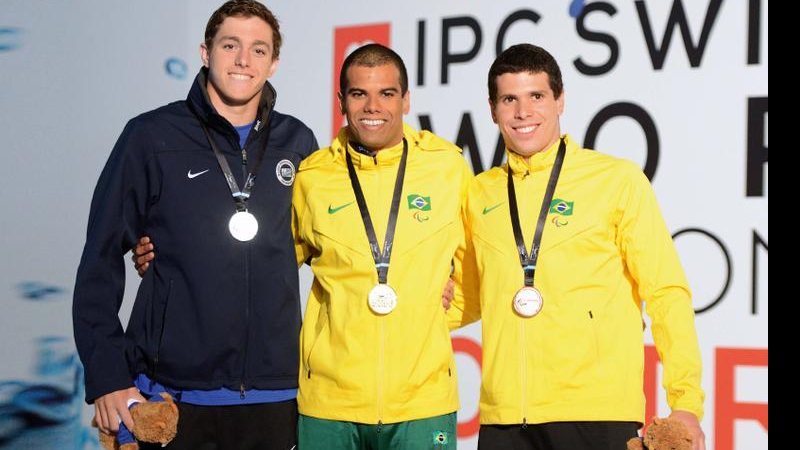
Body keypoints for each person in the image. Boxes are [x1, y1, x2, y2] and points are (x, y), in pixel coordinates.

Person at [72, 1, 318, 448]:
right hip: (171, 393)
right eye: (231, 45)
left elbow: (329, 249)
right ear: (205, 52)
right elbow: (99, 259)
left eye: (259, 50)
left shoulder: (298, 142)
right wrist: (107, 374)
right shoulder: (151, 136)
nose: (244, 60)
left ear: (275, 62)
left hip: (275, 395)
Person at [447, 43, 706, 450]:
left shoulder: (616, 180)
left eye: (536, 96)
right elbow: (473, 296)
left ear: (560, 100)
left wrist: (686, 401)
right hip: (504, 419)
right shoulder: (478, 193)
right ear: (493, 108)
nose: (523, 112)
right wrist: (418, 305)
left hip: (596, 414)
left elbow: (666, 293)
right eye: (509, 99)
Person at [290, 43, 472, 450]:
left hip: (423, 403)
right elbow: (268, 270)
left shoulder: (447, 167)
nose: (373, 107)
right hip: (329, 403)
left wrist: (433, 311)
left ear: (406, 100)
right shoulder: (313, 177)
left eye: (387, 94)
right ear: (341, 101)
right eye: (359, 94)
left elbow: (481, 265)